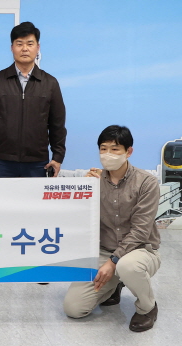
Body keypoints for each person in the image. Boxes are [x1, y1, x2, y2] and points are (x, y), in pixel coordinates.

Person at [63, 125, 161, 332]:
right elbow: (78, 220)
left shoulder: (146, 182)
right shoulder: (93, 180)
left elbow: (141, 231)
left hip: (140, 250)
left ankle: (147, 308)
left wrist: (113, 261)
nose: (108, 154)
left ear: (128, 151)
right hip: (103, 251)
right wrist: (83, 192)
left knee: (127, 266)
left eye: (115, 149)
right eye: (103, 148)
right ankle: (114, 284)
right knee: (74, 308)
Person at [0, 21, 66, 178]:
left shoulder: (50, 83)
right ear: (12, 47)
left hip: (38, 162)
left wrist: (57, 157)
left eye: (30, 44)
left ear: (37, 47)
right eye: (19, 44)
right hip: (2, 162)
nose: (25, 48)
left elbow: (57, 125)